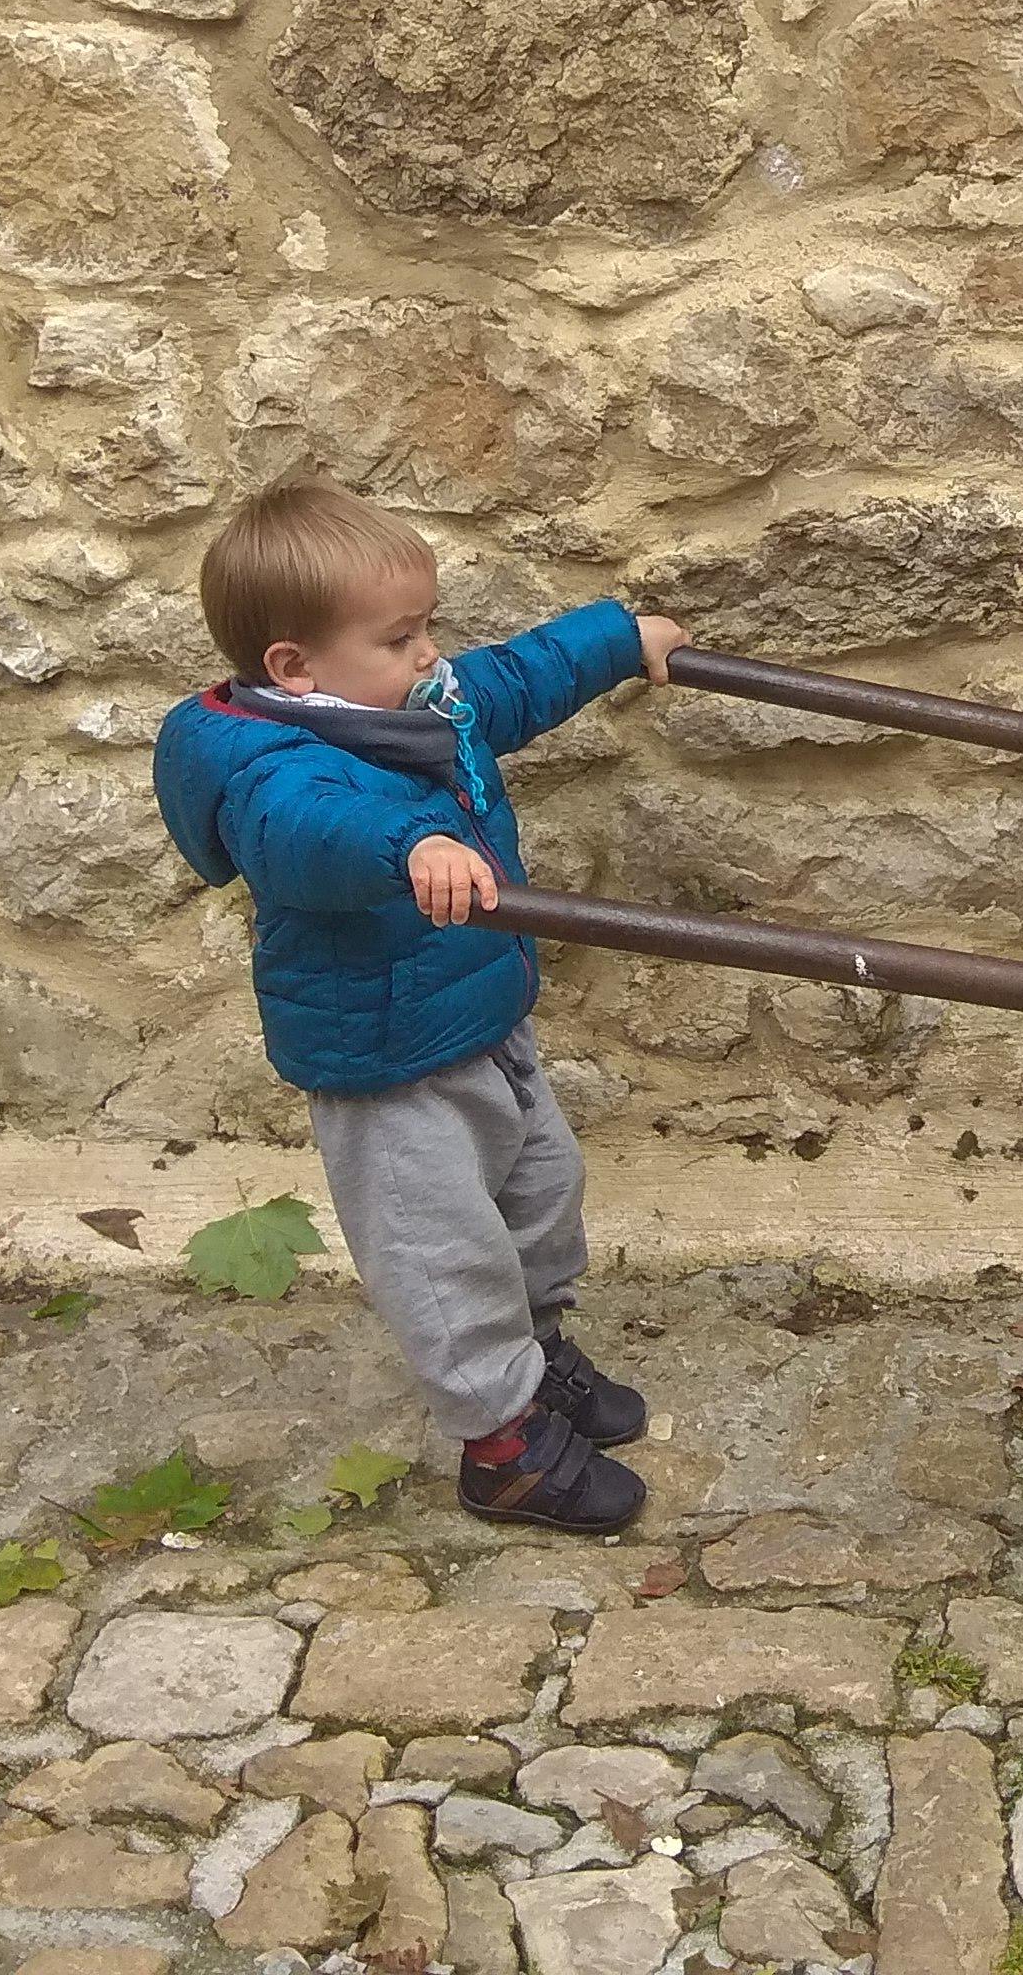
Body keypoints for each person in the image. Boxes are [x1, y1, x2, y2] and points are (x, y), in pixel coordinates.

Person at [152, 476, 685, 1535]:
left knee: (541, 1193)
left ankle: (532, 1364)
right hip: (386, 1060)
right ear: (295, 669)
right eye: (401, 638)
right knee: (441, 1254)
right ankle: (501, 1447)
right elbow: (308, 831)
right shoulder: (267, 763)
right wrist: (413, 844)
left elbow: (511, 679)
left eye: (425, 628)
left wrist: (619, 639)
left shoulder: (410, 704)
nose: (429, 653)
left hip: (478, 1018)